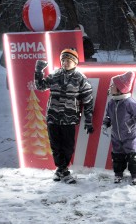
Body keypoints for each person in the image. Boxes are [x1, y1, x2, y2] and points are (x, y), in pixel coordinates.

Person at [35, 48, 95, 184]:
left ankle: (61, 170)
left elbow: (87, 100)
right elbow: (40, 86)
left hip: (69, 118)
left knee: (68, 146)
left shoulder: (80, 78)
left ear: (75, 62)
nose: (65, 62)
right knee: (55, 145)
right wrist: (38, 71)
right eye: (63, 60)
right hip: (53, 116)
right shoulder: (54, 74)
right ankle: (63, 170)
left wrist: (89, 120)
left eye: (69, 60)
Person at [101, 71, 136, 185]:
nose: (110, 87)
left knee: (133, 156)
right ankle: (118, 173)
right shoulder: (111, 103)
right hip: (115, 136)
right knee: (117, 156)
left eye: (113, 85)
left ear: (120, 88)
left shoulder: (129, 102)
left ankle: (135, 174)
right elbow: (108, 115)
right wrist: (105, 124)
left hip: (129, 135)